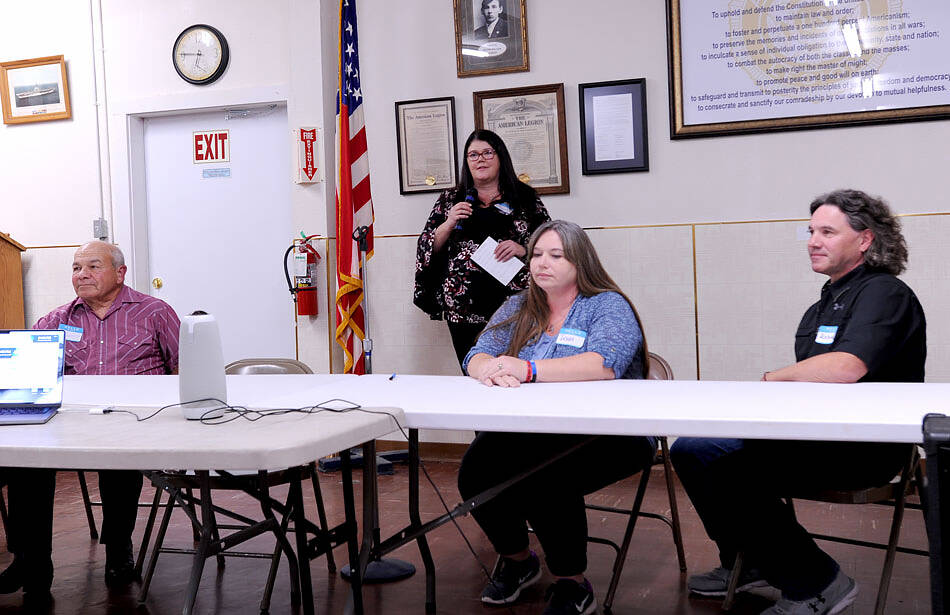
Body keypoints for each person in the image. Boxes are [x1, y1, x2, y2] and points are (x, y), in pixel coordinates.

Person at [670, 189, 926, 615]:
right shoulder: (824, 303)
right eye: (810, 231)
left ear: (865, 240)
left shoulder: (886, 294)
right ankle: (747, 561)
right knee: (692, 448)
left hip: (862, 448)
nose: (813, 240)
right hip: (815, 436)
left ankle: (818, 582)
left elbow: (845, 368)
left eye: (827, 231)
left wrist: (770, 378)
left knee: (724, 462)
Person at [456, 220, 656, 615]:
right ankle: (519, 561)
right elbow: (477, 353)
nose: (540, 263)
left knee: (545, 477)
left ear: (580, 261)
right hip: (533, 430)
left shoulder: (606, 304)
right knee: (476, 470)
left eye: (556, 255)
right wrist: (487, 369)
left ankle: (572, 583)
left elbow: (605, 364)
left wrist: (527, 369)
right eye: (535, 254)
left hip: (610, 434)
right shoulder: (518, 305)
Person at [0, 241, 180, 605]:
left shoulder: (154, 312)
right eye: (76, 267)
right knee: (27, 463)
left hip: (137, 421)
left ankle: (118, 547)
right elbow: (32, 373)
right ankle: (31, 565)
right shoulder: (57, 320)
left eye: (92, 267)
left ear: (120, 272)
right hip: (73, 422)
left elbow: (185, 366)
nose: (81, 274)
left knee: (117, 459)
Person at [414, 129, 550, 367]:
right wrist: (448, 223)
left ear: (500, 157)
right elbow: (427, 247)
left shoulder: (525, 198)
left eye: (488, 152)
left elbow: (551, 243)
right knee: (476, 373)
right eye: (473, 155)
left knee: (513, 371)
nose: (480, 159)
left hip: (515, 304)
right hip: (464, 305)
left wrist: (522, 249)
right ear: (467, 162)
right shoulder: (450, 199)